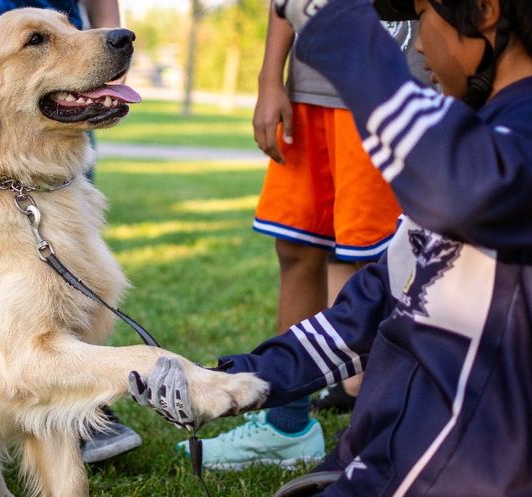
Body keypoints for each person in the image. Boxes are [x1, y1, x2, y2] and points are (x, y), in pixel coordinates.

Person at [131, 0, 532, 495]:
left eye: (423, 13)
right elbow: (362, 316)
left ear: (486, 11)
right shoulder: (489, 139)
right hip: (383, 463)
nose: (417, 41)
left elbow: (468, 190)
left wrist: (343, 33)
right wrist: (225, 383)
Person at [176, 4, 429, 471]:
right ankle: (286, 427)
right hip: (310, 86)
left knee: (375, 261)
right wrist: (270, 79)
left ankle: (385, 432)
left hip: (386, 80)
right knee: (295, 247)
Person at [0, 0, 139, 464]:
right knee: (29, 335)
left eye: (65, 30)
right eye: (39, 39)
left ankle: (83, 398)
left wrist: (99, 39)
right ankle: (79, 390)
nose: (122, 38)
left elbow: (101, 19)